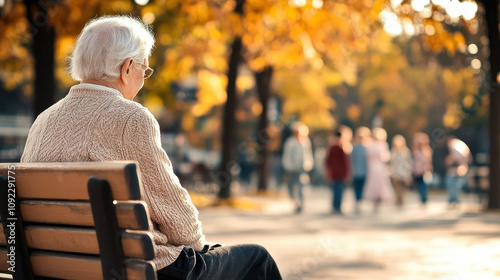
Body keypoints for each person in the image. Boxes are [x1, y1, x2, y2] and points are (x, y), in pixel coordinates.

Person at [20, 16, 282, 280]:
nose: (143, 78)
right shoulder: (131, 118)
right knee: (257, 259)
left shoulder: (43, 120)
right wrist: (198, 246)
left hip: (56, 269)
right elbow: (180, 224)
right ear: (126, 68)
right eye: (144, 70)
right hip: (136, 269)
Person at [282, 121, 314, 213]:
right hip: (291, 168)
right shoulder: (290, 142)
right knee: (291, 185)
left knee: (302, 186)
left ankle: (301, 203)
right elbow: (287, 155)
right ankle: (294, 202)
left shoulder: (306, 142)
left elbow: (309, 155)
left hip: (302, 168)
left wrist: (308, 164)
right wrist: (287, 166)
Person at [363, 127, 394, 212]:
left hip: (372, 167)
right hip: (379, 167)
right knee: (379, 183)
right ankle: (378, 199)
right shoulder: (382, 145)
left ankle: (375, 200)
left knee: (374, 183)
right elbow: (384, 157)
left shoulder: (369, 145)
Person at [325, 130, 350, 214]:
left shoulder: (334, 146)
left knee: (337, 189)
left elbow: (328, 161)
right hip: (338, 171)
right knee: (338, 189)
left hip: (337, 171)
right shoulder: (341, 147)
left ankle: (336, 205)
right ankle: (337, 205)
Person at [445, 135, 472, 209]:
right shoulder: (459, 144)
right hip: (462, 167)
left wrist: (450, 160)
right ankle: (454, 201)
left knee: (451, 185)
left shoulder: (453, 145)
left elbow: (456, 157)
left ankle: (453, 201)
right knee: (455, 186)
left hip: (456, 169)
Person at [351, 126, 371, 214]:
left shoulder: (368, 147)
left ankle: (361, 201)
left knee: (363, 187)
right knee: (357, 187)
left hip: (365, 171)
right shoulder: (355, 147)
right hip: (356, 171)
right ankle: (357, 201)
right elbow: (352, 159)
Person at [389, 135, 413, 208]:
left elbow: (409, 163)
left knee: (403, 187)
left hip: (404, 172)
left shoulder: (406, 151)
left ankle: (402, 199)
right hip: (396, 172)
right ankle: (397, 199)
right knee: (397, 186)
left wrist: (409, 173)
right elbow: (391, 162)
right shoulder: (393, 151)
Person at [412, 132, 433, 205]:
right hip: (417, 171)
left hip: (424, 170)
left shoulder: (426, 150)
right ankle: (422, 197)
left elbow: (428, 161)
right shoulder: (416, 151)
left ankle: (423, 198)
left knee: (423, 185)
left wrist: (428, 168)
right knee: (418, 185)